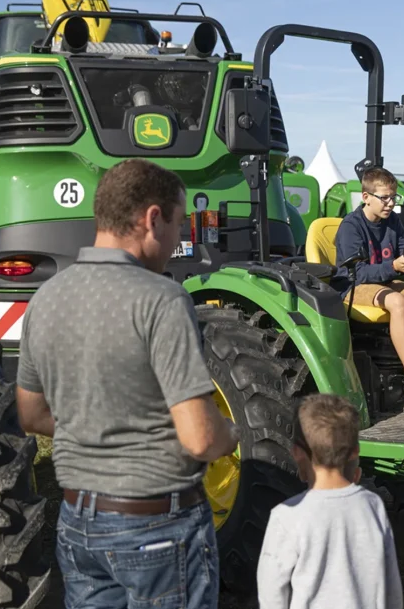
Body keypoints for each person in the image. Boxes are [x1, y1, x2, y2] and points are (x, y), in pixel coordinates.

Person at [14, 158, 239, 609]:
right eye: (178, 225)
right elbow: (199, 438)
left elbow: (32, 414)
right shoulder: (163, 299)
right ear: (152, 218)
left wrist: (98, 428)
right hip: (157, 524)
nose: (178, 240)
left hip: (79, 522)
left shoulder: (45, 298)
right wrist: (230, 436)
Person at [255, 393, 404, 609]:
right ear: (355, 451)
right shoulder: (373, 505)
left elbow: (272, 593)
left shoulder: (286, 516)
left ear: (297, 453)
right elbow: (391, 584)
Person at [332, 166, 404, 408]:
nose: (390, 203)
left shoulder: (393, 221)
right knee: (397, 302)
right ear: (366, 197)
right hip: (354, 285)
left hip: (385, 280)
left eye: (393, 198)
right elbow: (358, 272)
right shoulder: (351, 227)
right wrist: (394, 266)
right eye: (384, 198)